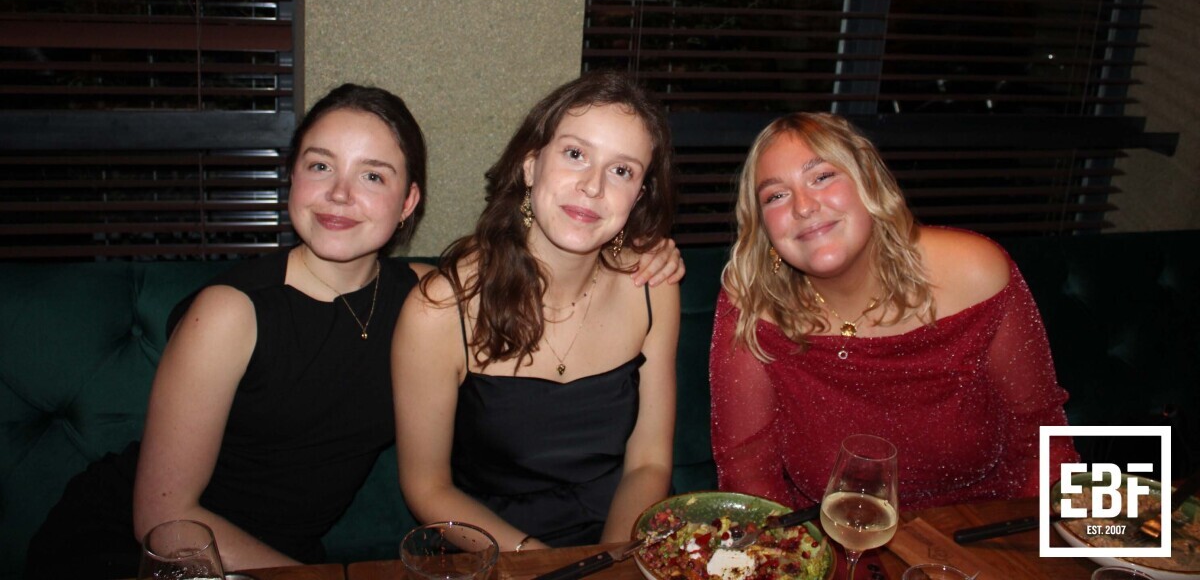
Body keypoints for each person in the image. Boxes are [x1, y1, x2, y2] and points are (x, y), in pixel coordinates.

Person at [26, 83, 683, 578]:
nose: (341, 194)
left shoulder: (421, 295)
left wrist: (650, 251)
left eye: (372, 175)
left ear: (408, 203)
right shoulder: (229, 312)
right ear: (291, 178)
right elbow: (164, 521)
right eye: (320, 166)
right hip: (145, 552)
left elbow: (509, 269)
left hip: (288, 554)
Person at [709, 112, 1078, 510]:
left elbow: (1042, 444)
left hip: (983, 528)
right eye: (776, 196)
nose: (803, 206)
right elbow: (748, 472)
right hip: (830, 538)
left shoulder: (975, 274)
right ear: (763, 228)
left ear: (869, 180)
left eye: (823, 177)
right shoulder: (752, 303)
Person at [393, 70, 681, 550]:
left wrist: (610, 564)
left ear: (639, 196)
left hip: (619, 542)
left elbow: (649, 463)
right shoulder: (440, 311)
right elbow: (427, 489)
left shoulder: (651, 287)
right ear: (531, 166)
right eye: (575, 154)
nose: (593, 186)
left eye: (622, 171)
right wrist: (540, 566)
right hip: (492, 551)